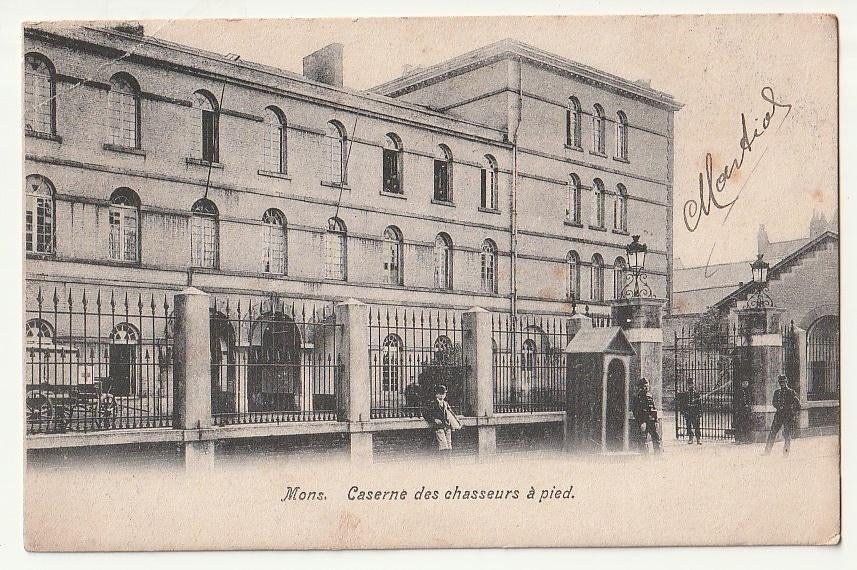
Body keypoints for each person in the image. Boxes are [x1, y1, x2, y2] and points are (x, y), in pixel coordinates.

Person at [764, 375, 801, 456]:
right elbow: (774, 402)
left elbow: (798, 405)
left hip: (788, 416)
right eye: (780, 382)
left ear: (786, 382)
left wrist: (793, 413)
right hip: (779, 415)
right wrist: (778, 406)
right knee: (772, 432)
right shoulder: (777, 392)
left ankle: (786, 453)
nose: (782, 384)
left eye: (783, 382)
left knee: (787, 435)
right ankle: (767, 452)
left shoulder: (791, 392)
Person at [422, 384, 461, 458]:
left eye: (444, 394)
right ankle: (443, 463)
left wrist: (456, 421)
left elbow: (451, 413)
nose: (443, 396)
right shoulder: (432, 403)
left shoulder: (445, 403)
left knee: (449, 445)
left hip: (447, 426)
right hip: (439, 427)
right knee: (443, 445)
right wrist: (434, 419)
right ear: (437, 394)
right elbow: (425, 413)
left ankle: (449, 463)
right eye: (441, 394)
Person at [631, 377, 662, 454]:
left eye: (647, 386)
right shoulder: (637, 397)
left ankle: (658, 456)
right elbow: (636, 411)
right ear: (641, 387)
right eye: (645, 386)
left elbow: (653, 408)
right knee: (643, 440)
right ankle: (645, 458)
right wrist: (642, 422)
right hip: (644, 422)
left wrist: (656, 420)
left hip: (651, 421)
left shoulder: (649, 396)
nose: (647, 388)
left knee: (656, 438)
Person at [682, 378, 703, 445]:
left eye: (691, 384)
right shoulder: (685, 394)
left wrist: (700, 412)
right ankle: (690, 438)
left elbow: (700, 404)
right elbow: (683, 404)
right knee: (688, 425)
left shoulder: (697, 393)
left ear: (693, 385)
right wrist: (684, 412)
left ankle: (698, 439)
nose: (690, 386)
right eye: (689, 385)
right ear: (687, 385)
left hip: (695, 411)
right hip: (688, 411)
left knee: (697, 425)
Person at [734, 379, 753, 444]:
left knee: (746, 425)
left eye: (746, 383)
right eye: (744, 383)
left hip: (746, 411)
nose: (745, 384)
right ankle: (739, 439)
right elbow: (737, 401)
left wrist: (749, 407)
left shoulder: (748, 391)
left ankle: (746, 439)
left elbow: (749, 400)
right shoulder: (739, 391)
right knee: (740, 425)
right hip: (741, 411)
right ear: (741, 383)